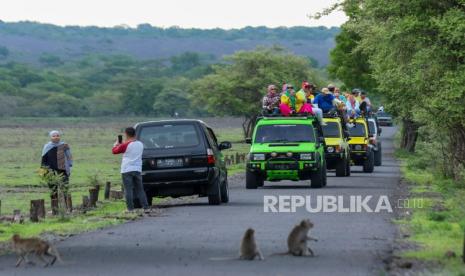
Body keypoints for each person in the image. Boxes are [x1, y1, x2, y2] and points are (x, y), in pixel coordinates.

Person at [112, 127, 149, 212]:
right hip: (137, 169)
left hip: (127, 169)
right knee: (140, 189)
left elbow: (114, 151)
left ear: (126, 134)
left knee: (128, 190)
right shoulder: (140, 144)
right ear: (134, 134)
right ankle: (145, 207)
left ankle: (130, 209)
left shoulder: (125, 145)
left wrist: (116, 144)